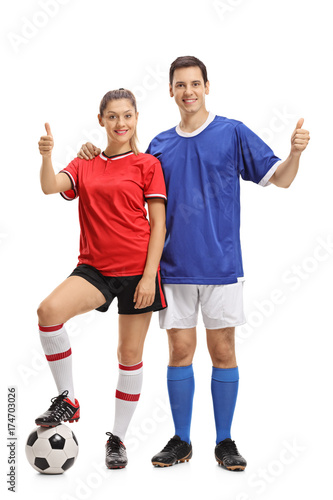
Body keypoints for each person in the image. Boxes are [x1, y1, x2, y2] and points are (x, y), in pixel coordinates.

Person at [78, 57, 310, 471]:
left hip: (221, 267)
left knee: (223, 351)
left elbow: (283, 178)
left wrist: (294, 153)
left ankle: (224, 441)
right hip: (173, 267)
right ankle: (182, 440)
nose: (188, 91)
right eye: (180, 85)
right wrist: (91, 152)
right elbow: (125, 169)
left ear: (207, 86)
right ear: (169, 91)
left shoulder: (232, 132)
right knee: (179, 351)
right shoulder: (161, 144)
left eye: (195, 84)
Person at [36, 88, 167, 469]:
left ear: (137, 118)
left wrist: (148, 277)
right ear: (101, 120)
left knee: (129, 356)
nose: (120, 123)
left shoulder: (147, 165)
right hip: (94, 268)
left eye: (127, 115)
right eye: (112, 116)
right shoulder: (84, 162)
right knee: (48, 311)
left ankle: (118, 440)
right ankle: (68, 399)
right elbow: (49, 186)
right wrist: (46, 156)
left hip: (138, 272)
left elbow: (158, 224)